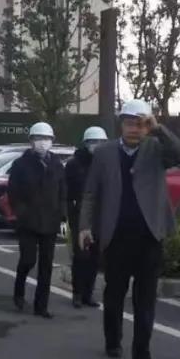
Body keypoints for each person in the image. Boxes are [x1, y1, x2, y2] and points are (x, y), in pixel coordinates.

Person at [79, 99, 180, 359]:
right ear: (121, 124)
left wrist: (158, 129)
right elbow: (90, 193)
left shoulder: (155, 148)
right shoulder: (104, 153)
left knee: (145, 301)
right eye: (130, 123)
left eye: (140, 124)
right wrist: (85, 227)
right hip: (116, 236)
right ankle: (112, 338)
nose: (134, 129)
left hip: (149, 236)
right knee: (114, 294)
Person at [7, 122, 66, 319]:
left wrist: (61, 213)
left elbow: (63, 191)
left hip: (50, 221)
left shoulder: (56, 164)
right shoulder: (21, 164)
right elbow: (13, 192)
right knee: (28, 260)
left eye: (46, 139)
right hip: (28, 222)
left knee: (46, 266)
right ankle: (19, 291)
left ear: (52, 141)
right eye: (38, 138)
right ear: (31, 141)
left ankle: (41, 306)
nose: (42, 142)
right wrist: (21, 212)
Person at [66, 126, 108, 309]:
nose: (96, 145)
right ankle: (77, 293)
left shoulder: (105, 164)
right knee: (81, 255)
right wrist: (69, 214)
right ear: (85, 143)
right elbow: (67, 192)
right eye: (93, 142)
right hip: (79, 214)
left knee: (95, 257)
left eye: (101, 142)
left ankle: (88, 294)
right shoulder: (74, 164)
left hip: (99, 215)